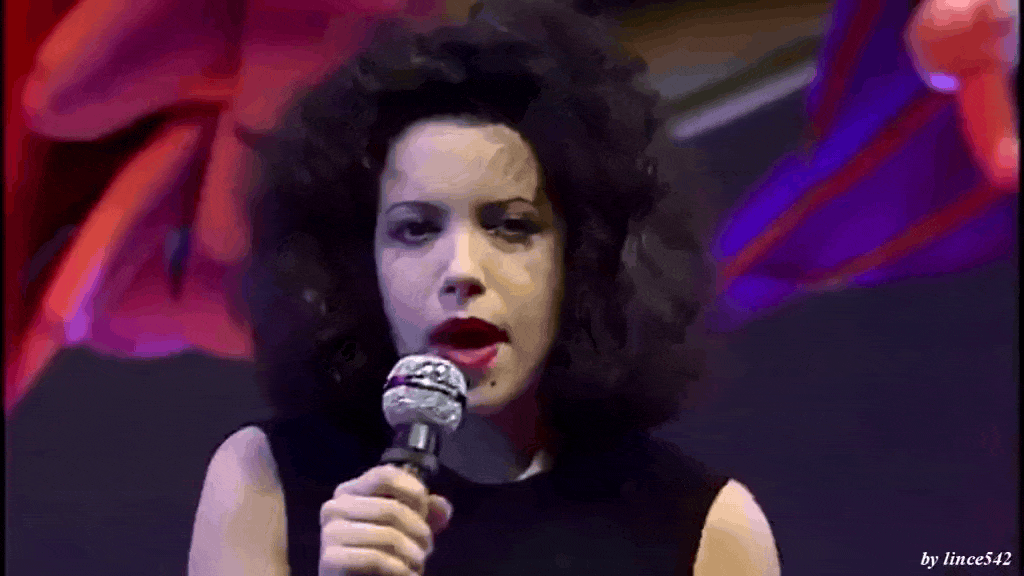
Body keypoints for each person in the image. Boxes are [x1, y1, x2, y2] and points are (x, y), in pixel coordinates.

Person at [188, 2, 780, 575]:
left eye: (512, 227)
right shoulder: (264, 481)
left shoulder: (705, 527)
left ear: (584, 257)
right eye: (416, 229)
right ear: (357, 262)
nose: (461, 270)